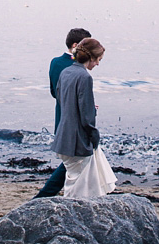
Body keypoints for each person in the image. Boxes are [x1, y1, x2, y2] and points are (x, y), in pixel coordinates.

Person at [50, 37, 117, 198]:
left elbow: (61, 99)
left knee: (73, 180)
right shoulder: (85, 77)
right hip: (76, 140)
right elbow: (86, 117)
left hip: (62, 136)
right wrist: (94, 136)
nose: (98, 64)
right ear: (91, 58)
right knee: (81, 185)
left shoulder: (66, 72)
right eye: (98, 60)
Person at [34, 28, 91, 198]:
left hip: (60, 114)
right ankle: (45, 195)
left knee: (73, 160)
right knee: (73, 160)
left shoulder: (55, 62)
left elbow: (54, 91)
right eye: (85, 45)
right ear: (75, 45)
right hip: (73, 118)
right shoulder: (76, 67)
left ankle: (73, 193)